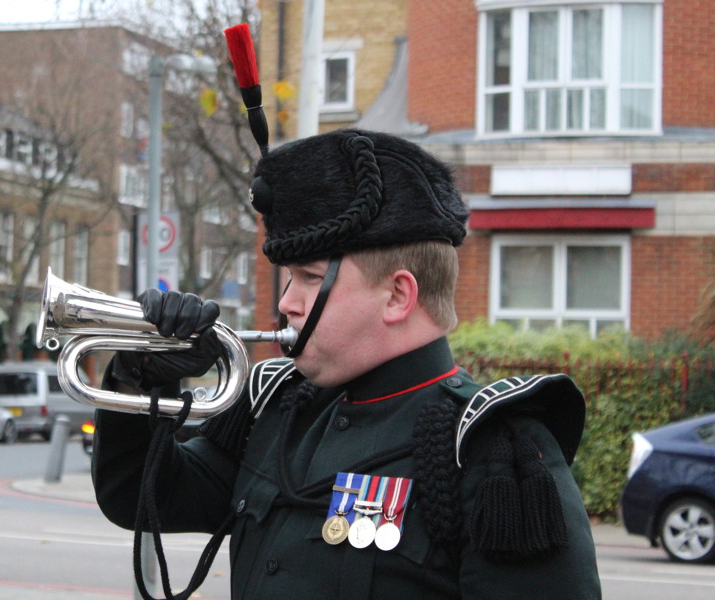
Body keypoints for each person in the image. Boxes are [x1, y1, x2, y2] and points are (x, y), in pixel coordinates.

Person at [92, 128, 602, 599]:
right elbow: (141, 496)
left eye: (310, 278)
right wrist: (139, 379)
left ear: (398, 296)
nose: (287, 303)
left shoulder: (493, 451)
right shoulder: (277, 408)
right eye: (288, 279)